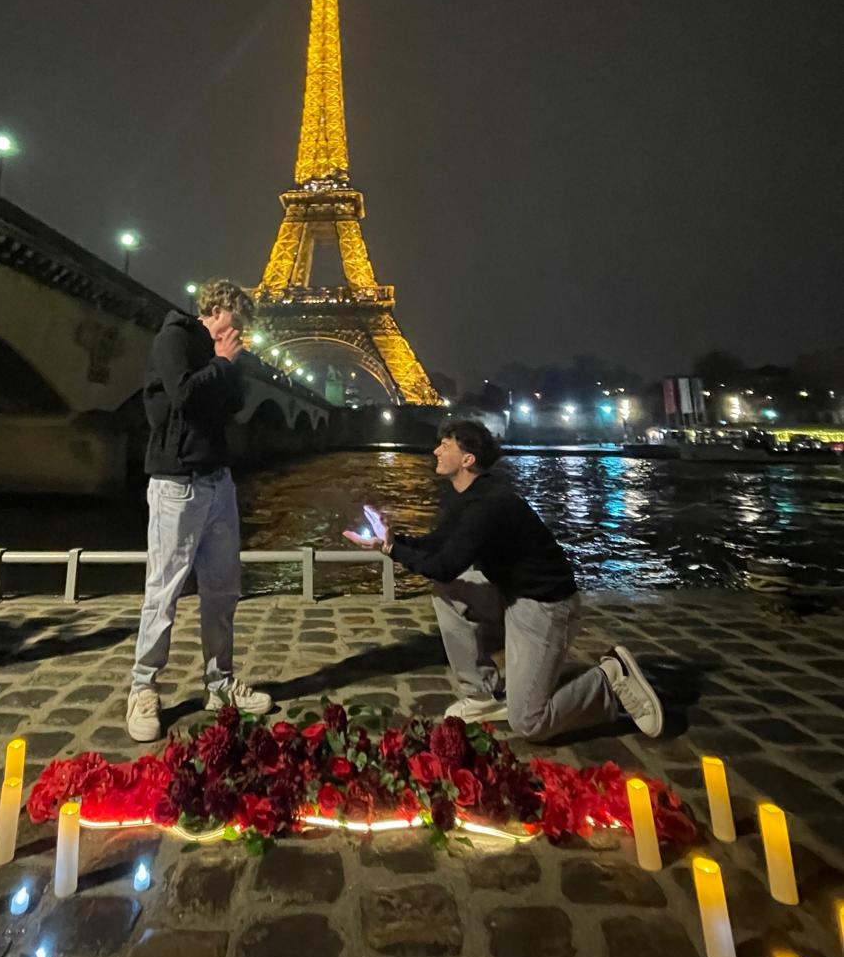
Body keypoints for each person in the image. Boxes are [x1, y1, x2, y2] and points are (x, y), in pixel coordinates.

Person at [344, 418, 662, 741]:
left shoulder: (487, 505)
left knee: (528, 722)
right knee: (448, 592)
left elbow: (444, 564)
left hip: (545, 606)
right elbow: (438, 544)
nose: (436, 450)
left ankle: (608, 680)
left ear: (467, 459)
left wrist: (391, 549)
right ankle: (483, 696)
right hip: (511, 594)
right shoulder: (472, 496)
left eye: (446, 445)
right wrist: (392, 540)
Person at [126, 278, 272, 741]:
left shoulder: (220, 353)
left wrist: (227, 368)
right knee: (164, 592)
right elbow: (186, 398)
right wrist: (223, 363)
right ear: (215, 309)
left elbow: (234, 406)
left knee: (223, 590)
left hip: (218, 483)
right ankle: (143, 688)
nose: (238, 334)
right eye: (235, 323)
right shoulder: (174, 338)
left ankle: (220, 682)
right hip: (177, 487)